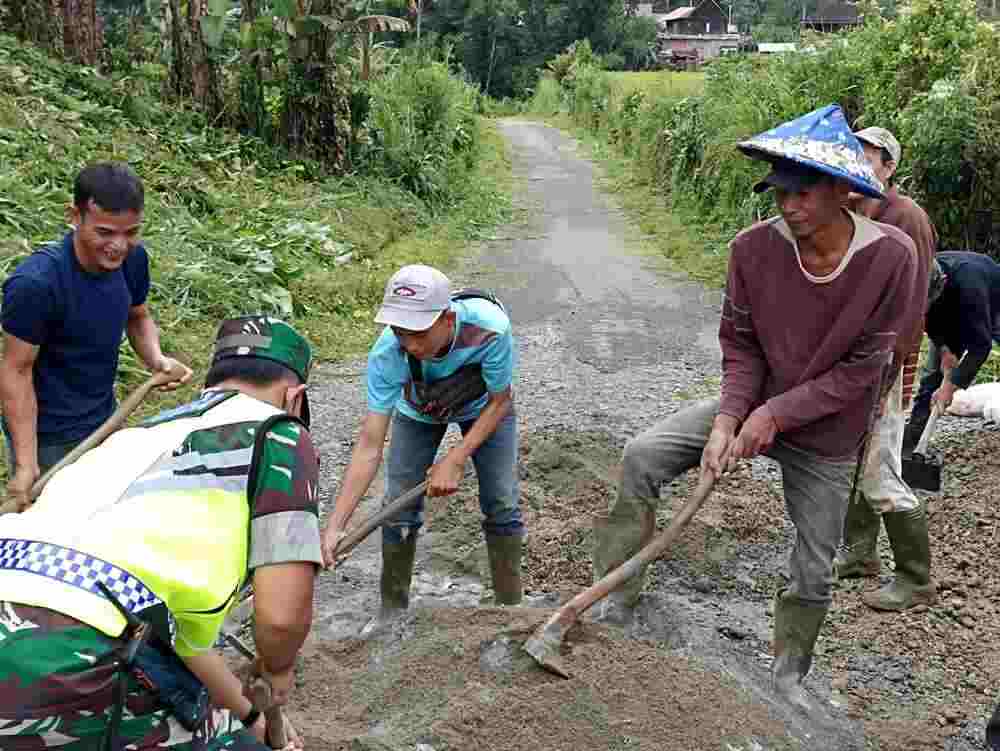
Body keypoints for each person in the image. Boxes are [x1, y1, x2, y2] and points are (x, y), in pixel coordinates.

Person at [590, 105, 917, 711]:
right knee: (641, 457)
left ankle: (788, 675)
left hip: (829, 433)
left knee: (816, 567)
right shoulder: (751, 251)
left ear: (842, 190)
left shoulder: (891, 257)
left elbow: (864, 370)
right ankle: (617, 601)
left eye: (802, 193)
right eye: (778, 193)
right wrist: (727, 420)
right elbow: (740, 347)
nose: (788, 207)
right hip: (756, 403)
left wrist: (774, 417)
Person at [0, 315, 321, 750]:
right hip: (65, 652)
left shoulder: (138, 435)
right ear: (295, 398)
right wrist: (278, 671)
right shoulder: (277, 433)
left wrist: (252, 718)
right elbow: (281, 620)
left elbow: (187, 646)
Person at [321, 264, 521, 615]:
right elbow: (369, 445)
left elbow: (500, 401)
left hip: (484, 408)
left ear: (446, 318)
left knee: (502, 500)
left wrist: (455, 458)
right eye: (400, 332)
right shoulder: (387, 354)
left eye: (419, 332)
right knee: (398, 504)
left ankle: (509, 605)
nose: (410, 344)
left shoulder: (490, 328)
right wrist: (336, 525)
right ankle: (392, 611)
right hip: (418, 412)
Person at [0, 162, 192, 508]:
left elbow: (138, 314)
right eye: (105, 232)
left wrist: (156, 359)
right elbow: (16, 371)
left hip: (106, 419)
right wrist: (27, 464)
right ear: (75, 215)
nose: (119, 246)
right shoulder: (36, 285)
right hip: (51, 437)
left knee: (106, 516)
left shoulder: (132, 261)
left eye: (130, 232)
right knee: (56, 530)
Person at [834, 126, 939, 611]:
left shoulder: (906, 217)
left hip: (889, 364)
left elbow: (911, 305)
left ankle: (916, 577)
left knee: (880, 467)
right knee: (858, 455)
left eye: (867, 157)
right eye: (850, 155)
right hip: (857, 360)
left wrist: (888, 372)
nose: (856, 164)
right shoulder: (852, 210)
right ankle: (859, 555)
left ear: (889, 167)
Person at [904, 250, 1000, 449]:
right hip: (949, 304)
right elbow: (931, 324)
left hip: (990, 301)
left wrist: (951, 386)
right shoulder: (921, 276)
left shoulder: (971, 289)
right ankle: (915, 435)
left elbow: (980, 347)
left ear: (943, 282)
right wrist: (946, 352)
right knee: (933, 373)